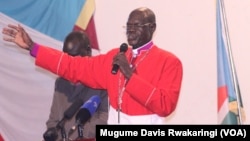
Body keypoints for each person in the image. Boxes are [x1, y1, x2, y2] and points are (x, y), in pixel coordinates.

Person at [2, 7, 183, 124]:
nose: (131, 31)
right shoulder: (116, 56)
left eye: (137, 26)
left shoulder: (169, 62)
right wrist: (34, 48)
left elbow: (165, 105)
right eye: (128, 26)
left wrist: (129, 75)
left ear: (152, 28)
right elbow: (74, 66)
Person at [42, 31, 108, 141]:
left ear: (88, 52)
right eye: (66, 57)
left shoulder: (102, 81)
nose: (69, 62)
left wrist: (80, 135)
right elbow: (53, 119)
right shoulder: (60, 82)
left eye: (73, 57)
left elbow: (106, 118)